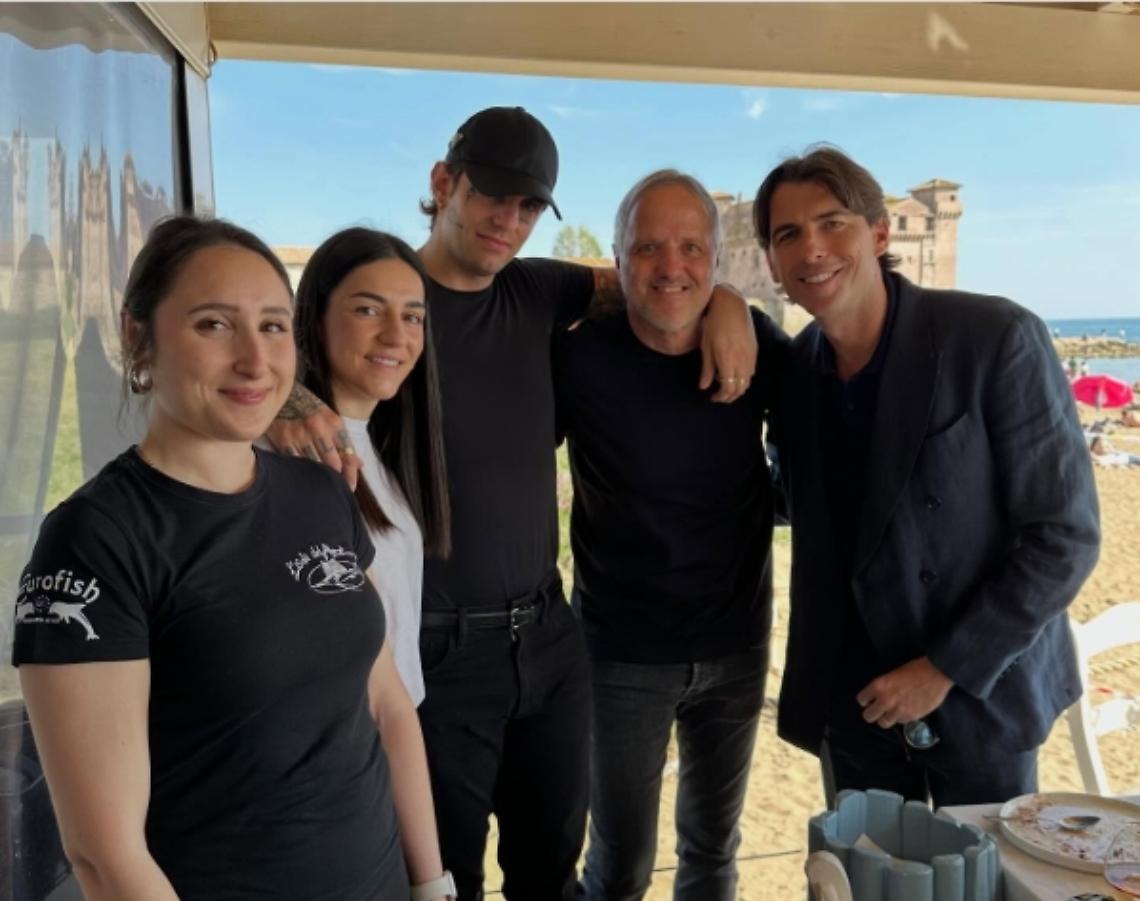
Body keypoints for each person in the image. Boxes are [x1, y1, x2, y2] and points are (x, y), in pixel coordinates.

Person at [267, 107, 758, 900]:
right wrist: (287, 402)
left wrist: (728, 301)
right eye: (493, 193)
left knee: (552, 867)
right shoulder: (392, 301)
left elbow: (652, 280)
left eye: (530, 206)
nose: (510, 219)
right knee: (444, 867)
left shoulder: (539, 287)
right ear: (443, 184)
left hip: (550, 637)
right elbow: (291, 364)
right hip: (437, 651)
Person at [12, 217, 453, 901]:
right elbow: (103, 853)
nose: (255, 360)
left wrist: (432, 883)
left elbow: (387, 703)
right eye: (214, 325)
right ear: (137, 338)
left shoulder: (321, 491)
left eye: (273, 326)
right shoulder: (95, 539)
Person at [755, 146, 1100, 807]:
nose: (811, 250)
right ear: (772, 263)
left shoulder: (993, 337)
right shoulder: (795, 371)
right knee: (873, 880)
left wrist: (945, 667)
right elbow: (788, 498)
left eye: (833, 223)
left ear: (879, 234)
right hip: (853, 701)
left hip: (978, 694)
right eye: (787, 234)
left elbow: (1064, 536)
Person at [555, 170, 786, 899]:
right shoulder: (578, 353)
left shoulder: (759, 344)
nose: (671, 265)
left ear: (717, 259)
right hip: (619, 653)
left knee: (713, 850)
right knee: (618, 861)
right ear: (617, 259)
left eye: (692, 247)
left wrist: (735, 306)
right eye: (647, 247)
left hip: (736, 644)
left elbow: (823, 450)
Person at [291, 227, 450, 706]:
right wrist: (286, 400)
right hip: (345, 749)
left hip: (386, 738)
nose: (396, 335)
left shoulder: (377, 450)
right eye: (368, 309)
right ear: (315, 319)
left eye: (412, 316)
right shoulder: (294, 449)